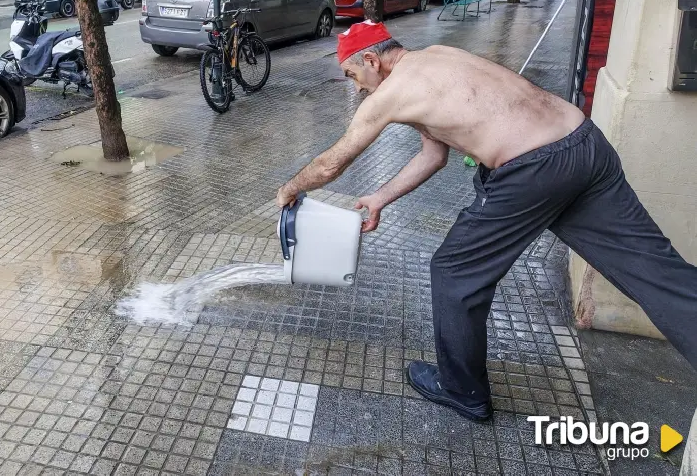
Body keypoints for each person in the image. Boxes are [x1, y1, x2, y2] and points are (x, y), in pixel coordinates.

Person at [275, 21, 697, 422]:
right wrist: (381, 197)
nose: (356, 87)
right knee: (652, 270)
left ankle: (461, 390)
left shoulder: (389, 94)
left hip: (535, 170)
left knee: (455, 270)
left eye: (352, 75)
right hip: (584, 144)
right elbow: (433, 155)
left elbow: (332, 165)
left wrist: (291, 188)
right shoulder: (436, 56)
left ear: (372, 61)